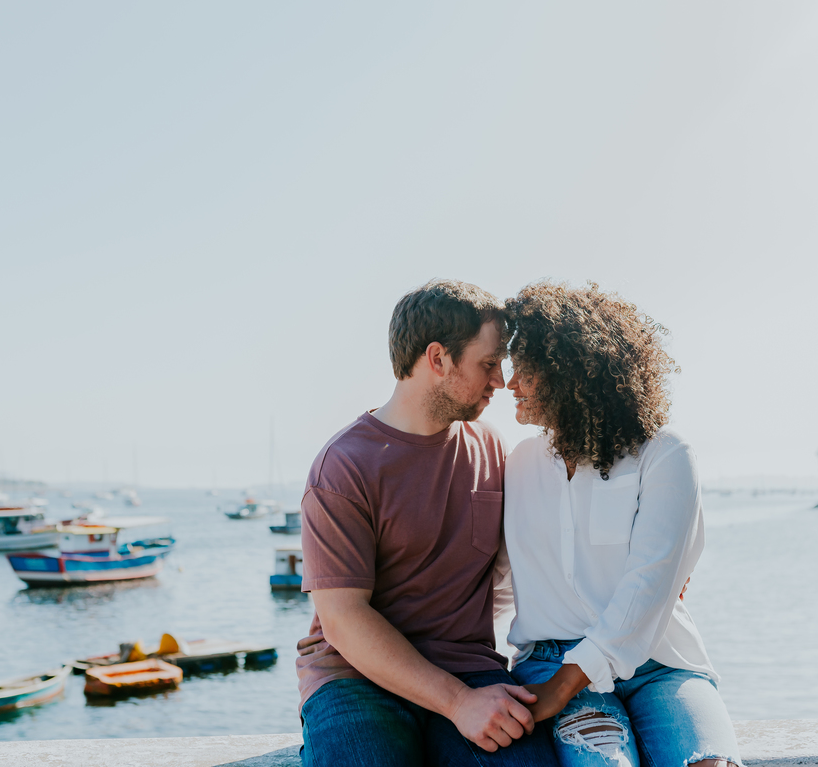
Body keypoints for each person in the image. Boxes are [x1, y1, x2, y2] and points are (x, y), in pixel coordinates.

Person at [296, 279, 560, 767]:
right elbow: (343, 619)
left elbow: (550, 544)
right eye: (488, 363)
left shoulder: (494, 450)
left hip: (471, 670)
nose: (501, 380)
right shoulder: (344, 466)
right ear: (437, 359)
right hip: (355, 677)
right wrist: (457, 703)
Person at [502, 281, 743, 767]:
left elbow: (650, 583)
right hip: (550, 660)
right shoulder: (518, 464)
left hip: (662, 665)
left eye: (524, 372)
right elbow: (488, 576)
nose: (510, 385)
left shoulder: (665, 453)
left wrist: (565, 685)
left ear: (568, 375)